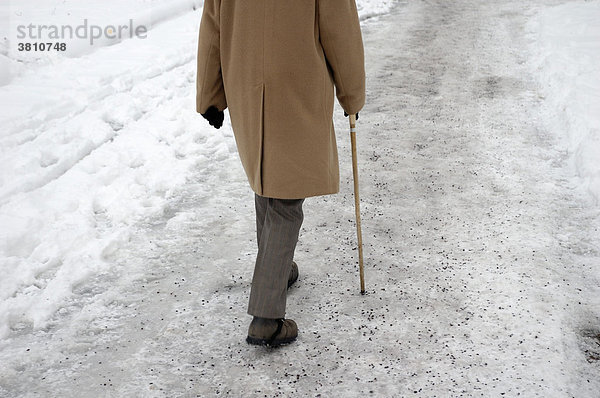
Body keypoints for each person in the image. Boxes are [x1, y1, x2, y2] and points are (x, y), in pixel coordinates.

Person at [196, 0, 365, 346]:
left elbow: (213, 26)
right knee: (286, 195)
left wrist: (209, 95)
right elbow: (340, 31)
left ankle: (277, 269)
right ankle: (266, 317)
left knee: (267, 175)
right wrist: (352, 95)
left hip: (244, 81)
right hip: (297, 83)